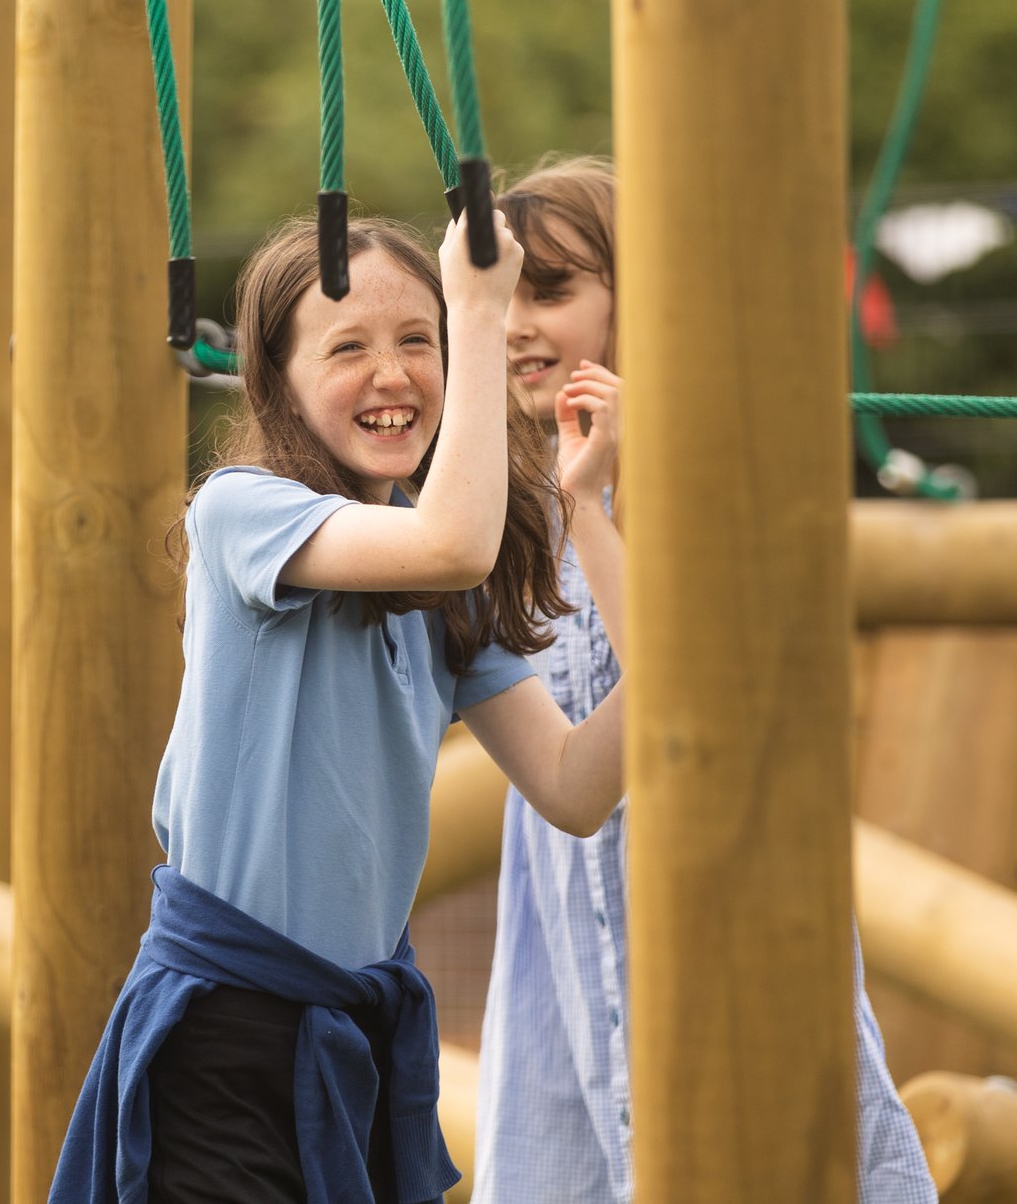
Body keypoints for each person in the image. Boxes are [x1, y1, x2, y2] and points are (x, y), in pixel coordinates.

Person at [48, 212, 627, 1204]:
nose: (393, 373)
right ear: (278, 382)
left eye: (417, 339)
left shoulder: (448, 592)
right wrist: (478, 312)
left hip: (350, 1038)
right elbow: (451, 542)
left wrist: (585, 509)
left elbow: (577, 787)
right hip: (222, 1035)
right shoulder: (244, 511)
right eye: (348, 347)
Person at [472, 156, 937, 1203]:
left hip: (717, 915)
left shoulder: (692, 473)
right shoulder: (514, 502)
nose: (515, 325)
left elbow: (686, 695)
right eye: (501, 298)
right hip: (569, 953)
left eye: (549, 292)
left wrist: (595, 506)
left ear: (635, 302)